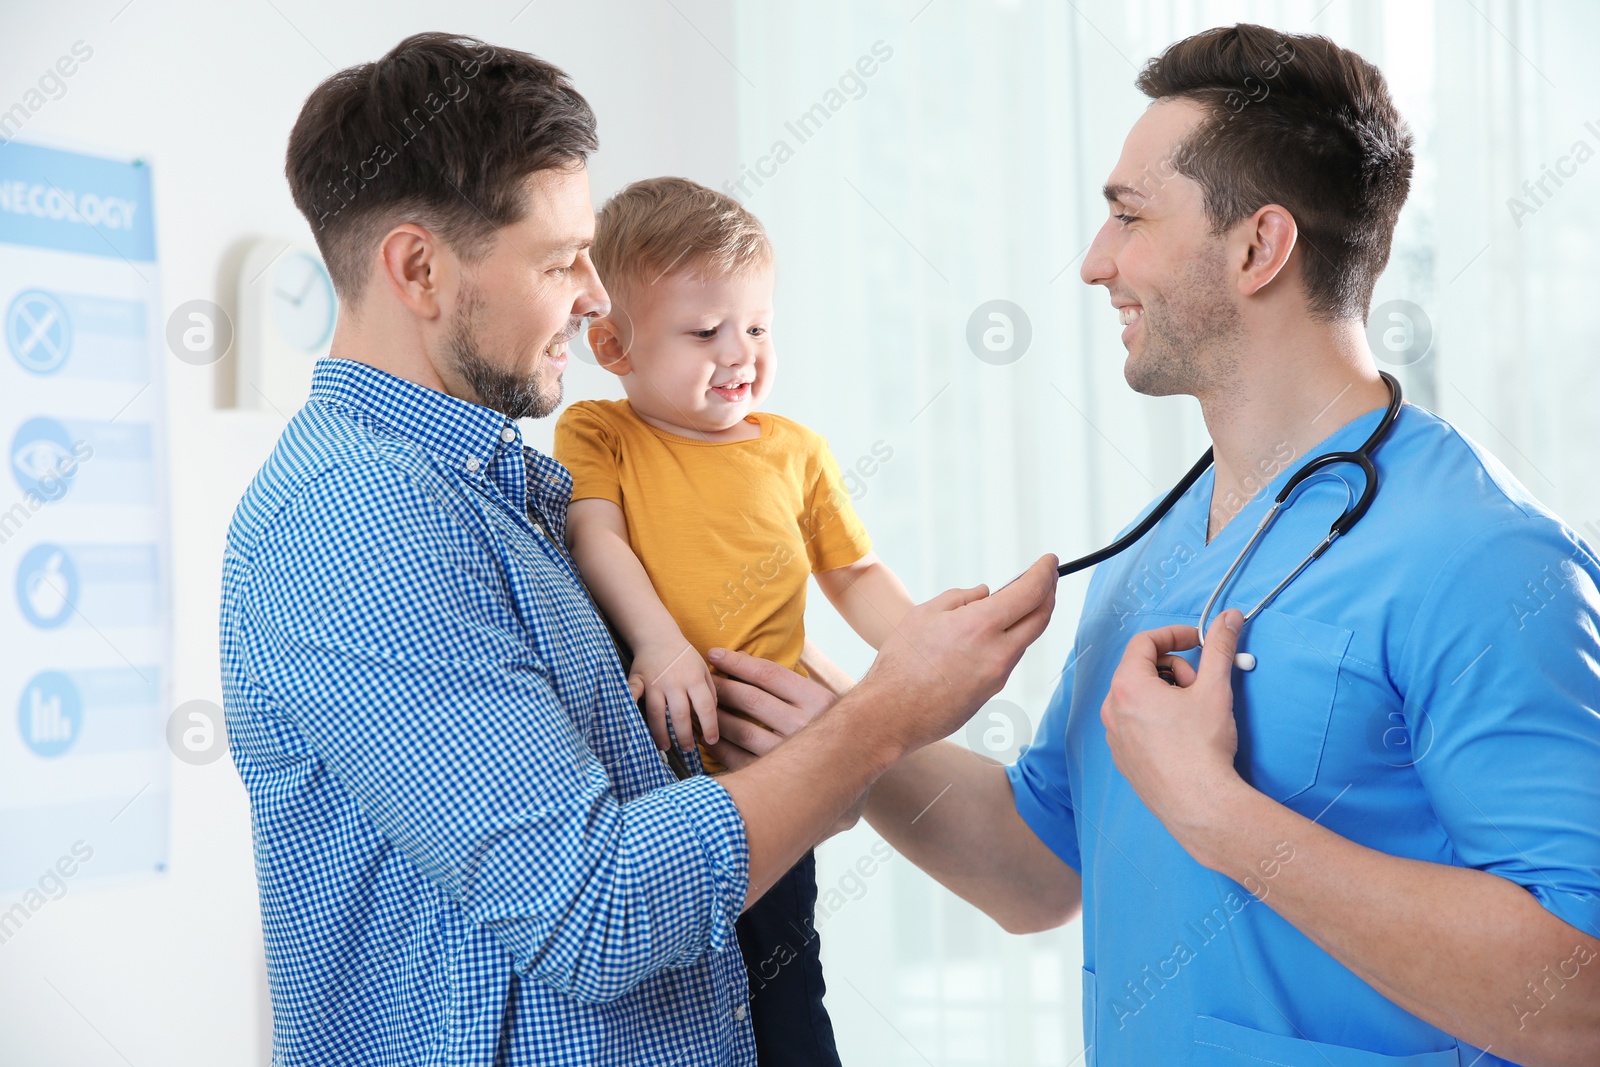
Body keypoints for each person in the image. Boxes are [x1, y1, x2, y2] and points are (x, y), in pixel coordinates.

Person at [709, 23, 1600, 1067]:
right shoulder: (1167, 547)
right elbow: (1038, 870)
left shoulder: (1488, 562)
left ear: (1258, 247)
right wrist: (847, 725)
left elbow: (1577, 997)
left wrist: (1215, 810)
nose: (1096, 264)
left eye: (1127, 217)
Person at [219, 31, 1055, 1067]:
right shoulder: (361, 523)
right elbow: (595, 913)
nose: (594, 298)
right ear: (419, 269)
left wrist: (809, 775)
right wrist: (874, 724)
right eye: (561, 259)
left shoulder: (502, 498)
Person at [553, 176, 916, 1065]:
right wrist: (659, 640)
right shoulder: (599, 432)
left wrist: (918, 652)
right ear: (613, 345)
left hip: (772, 776)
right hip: (651, 779)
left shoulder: (796, 451)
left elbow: (854, 569)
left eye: (757, 327)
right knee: (669, 997)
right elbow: (594, 536)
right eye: (704, 331)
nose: (739, 352)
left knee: (788, 991)